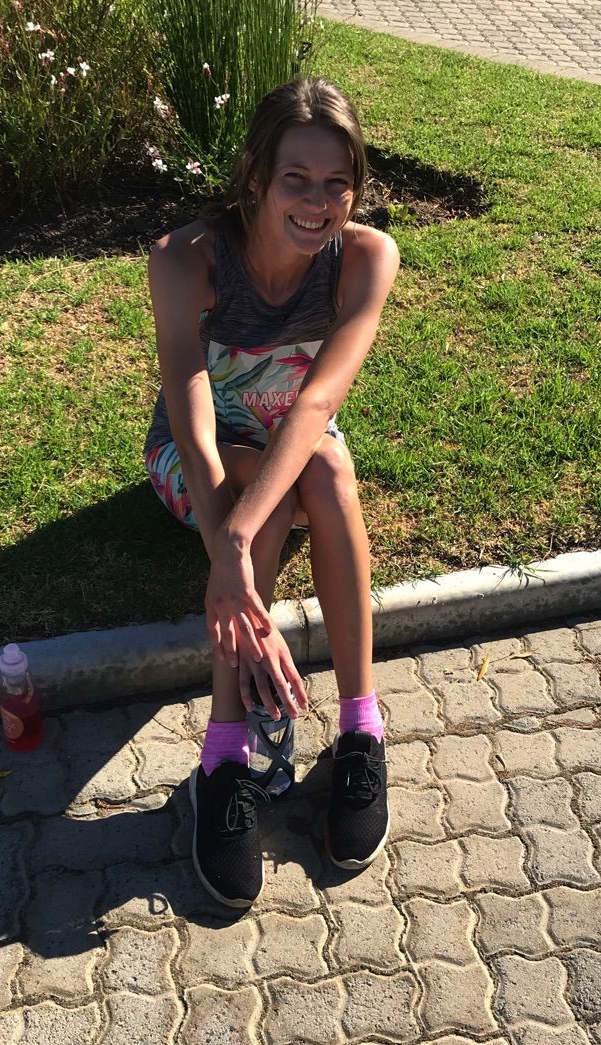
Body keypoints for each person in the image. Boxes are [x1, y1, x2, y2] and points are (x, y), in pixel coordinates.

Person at [144, 77, 400, 908]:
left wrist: (233, 548)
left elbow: (318, 404)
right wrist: (229, 545)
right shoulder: (185, 259)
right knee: (270, 490)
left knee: (324, 468)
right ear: (256, 174)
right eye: (296, 178)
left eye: (337, 183)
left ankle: (361, 730)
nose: (317, 203)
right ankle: (224, 758)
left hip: (292, 440)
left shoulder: (366, 258)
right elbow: (191, 424)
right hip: (200, 459)